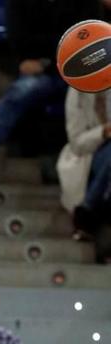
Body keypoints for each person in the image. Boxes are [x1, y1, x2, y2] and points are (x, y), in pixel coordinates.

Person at [0, 0, 102, 174]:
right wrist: (50, 52)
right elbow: (20, 38)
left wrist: (46, 58)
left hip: (82, 69)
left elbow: (87, 38)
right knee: (23, 90)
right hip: (44, 70)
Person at [58, 88, 111, 262]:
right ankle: (89, 211)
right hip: (90, 154)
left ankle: (88, 209)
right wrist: (103, 132)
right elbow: (77, 143)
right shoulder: (77, 91)